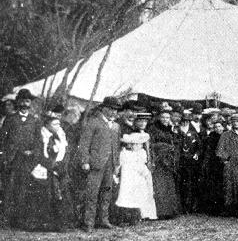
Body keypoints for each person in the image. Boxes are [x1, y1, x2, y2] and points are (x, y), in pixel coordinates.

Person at [26, 106, 75, 231]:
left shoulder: (60, 134)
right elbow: (38, 154)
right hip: (44, 169)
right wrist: (50, 165)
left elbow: (65, 151)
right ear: (47, 124)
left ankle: (60, 223)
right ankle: (42, 223)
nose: (57, 126)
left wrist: (61, 165)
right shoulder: (41, 135)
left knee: (61, 195)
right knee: (44, 196)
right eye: (54, 123)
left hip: (58, 168)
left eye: (59, 123)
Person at [78, 96, 122, 231]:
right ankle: (88, 223)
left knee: (106, 193)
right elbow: (84, 144)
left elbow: (116, 146)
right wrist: (85, 161)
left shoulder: (116, 126)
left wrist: (116, 164)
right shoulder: (93, 122)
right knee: (92, 193)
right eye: (110, 109)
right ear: (103, 108)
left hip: (110, 164)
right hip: (96, 164)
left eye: (115, 110)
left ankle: (104, 220)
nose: (113, 112)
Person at [0, 89, 41, 228]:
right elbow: (2, 140)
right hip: (11, 160)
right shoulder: (10, 119)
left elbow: (38, 142)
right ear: (18, 102)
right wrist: (5, 157)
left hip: (26, 161)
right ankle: (4, 220)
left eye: (27, 101)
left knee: (22, 190)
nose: (24, 103)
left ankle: (19, 221)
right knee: (8, 190)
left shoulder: (35, 121)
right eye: (22, 100)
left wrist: (33, 152)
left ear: (31, 103)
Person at [114, 132, 157, 223]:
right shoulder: (125, 154)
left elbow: (141, 167)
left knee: (138, 196)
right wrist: (117, 173)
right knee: (126, 197)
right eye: (133, 144)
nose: (135, 146)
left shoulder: (141, 153)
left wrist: (145, 173)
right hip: (128, 179)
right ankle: (124, 218)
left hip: (138, 179)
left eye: (138, 144)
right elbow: (120, 165)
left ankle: (139, 216)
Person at [148, 109, 181, 219]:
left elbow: (175, 142)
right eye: (163, 117)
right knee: (160, 185)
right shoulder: (153, 129)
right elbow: (151, 144)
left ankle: (170, 211)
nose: (165, 120)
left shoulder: (170, 129)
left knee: (169, 185)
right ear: (159, 118)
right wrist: (165, 147)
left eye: (167, 118)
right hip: (159, 160)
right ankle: (162, 212)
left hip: (169, 160)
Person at [177, 110, 202, 213]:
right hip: (180, 161)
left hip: (191, 163)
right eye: (183, 121)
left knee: (191, 184)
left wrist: (197, 154)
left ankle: (190, 206)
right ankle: (182, 206)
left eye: (187, 121)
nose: (185, 123)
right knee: (181, 184)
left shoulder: (193, 133)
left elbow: (199, 146)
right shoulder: (177, 131)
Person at [200, 117, 225, 215]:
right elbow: (208, 151)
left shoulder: (226, 136)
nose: (218, 129)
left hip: (224, 162)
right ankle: (215, 209)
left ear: (223, 127)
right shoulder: (211, 138)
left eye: (219, 126)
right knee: (215, 186)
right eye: (216, 127)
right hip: (214, 164)